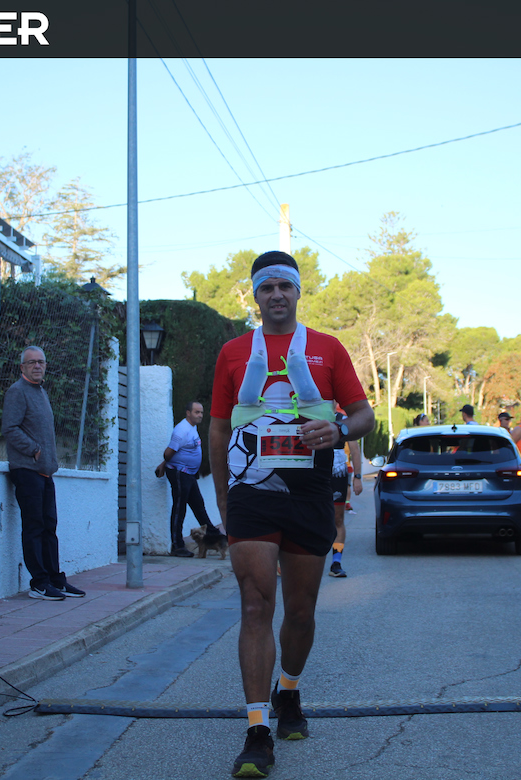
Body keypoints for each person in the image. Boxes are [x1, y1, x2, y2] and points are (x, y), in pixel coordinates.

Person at [210, 251, 374, 778]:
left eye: (285, 286)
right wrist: (223, 496)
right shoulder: (234, 352)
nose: (276, 295)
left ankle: (289, 690)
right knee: (255, 604)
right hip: (251, 492)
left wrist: (340, 430)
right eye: (267, 287)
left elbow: (364, 416)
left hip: (310, 493)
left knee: (300, 612)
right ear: (255, 296)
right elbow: (219, 428)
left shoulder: (327, 348)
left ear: (298, 292)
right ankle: (257, 732)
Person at [2, 346, 86, 601]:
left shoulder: (41, 392)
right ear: (22, 367)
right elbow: (10, 429)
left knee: (49, 527)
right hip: (27, 470)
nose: (37, 366)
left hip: (45, 472)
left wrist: (47, 459)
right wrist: (35, 450)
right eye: (32, 362)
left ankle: (55, 580)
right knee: (34, 527)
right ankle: (39, 584)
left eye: (41, 362)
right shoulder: (17, 391)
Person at [155, 400, 222, 557]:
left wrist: (163, 464)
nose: (200, 415)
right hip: (179, 473)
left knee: (198, 505)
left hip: (188, 474)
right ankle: (177, 546)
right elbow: (168, 453)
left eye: (201, 412)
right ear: (188, 413)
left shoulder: (192, 427)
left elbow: (179, 451)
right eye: (196, 412)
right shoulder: (182, 430)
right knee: (180, 508)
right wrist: (165, 463)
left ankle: (215, 537)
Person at [328, 436, 363, 577]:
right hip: (314, 467)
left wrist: (358, 477)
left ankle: (336, 563)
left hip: (337, 468)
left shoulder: (344, 423)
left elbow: (354, 449)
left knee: (338, 519)